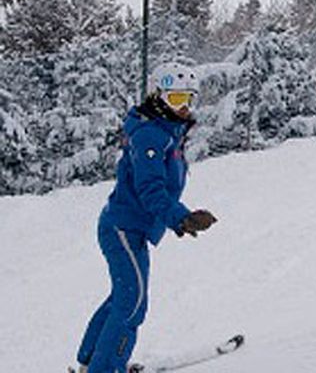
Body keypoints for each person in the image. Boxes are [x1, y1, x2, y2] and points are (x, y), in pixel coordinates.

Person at [73, 62, 217, 373]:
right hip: (123, 227)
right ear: (159, 96)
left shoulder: (166, 133)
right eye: (177, 99)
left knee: (124, 296)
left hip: (131, 228)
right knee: (132, 303)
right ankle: (106, 368)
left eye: (189, 99)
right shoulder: (151, 136)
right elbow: (150, 189)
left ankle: (91, 361)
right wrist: (181, 218)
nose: (184, 107)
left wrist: (179, 217)